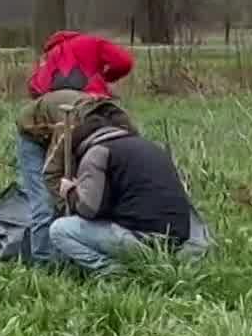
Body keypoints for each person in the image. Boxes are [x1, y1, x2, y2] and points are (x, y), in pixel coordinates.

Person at [51, 116, 200, 278]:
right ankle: (149, 268)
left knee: (60, 230)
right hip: (175, 243)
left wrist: (71, 192)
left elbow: (89, 209)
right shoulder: (149, 147)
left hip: (143, 240)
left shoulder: (96, 152)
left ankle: (115, 273)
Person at [12, 89, 136, 263]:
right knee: (44, 203)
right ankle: (44, 262)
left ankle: (68, 249)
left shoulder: (125, 128)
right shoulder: (71, 127)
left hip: (66, 130)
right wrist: (69, 203)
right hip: (34, 134)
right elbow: (51, 173)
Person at [29, 31, 135, 98]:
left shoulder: (48, 56)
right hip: (93, 98)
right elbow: (125, 62)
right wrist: (106, 78)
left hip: (54, 103)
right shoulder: (92, 42)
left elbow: (35, 87)